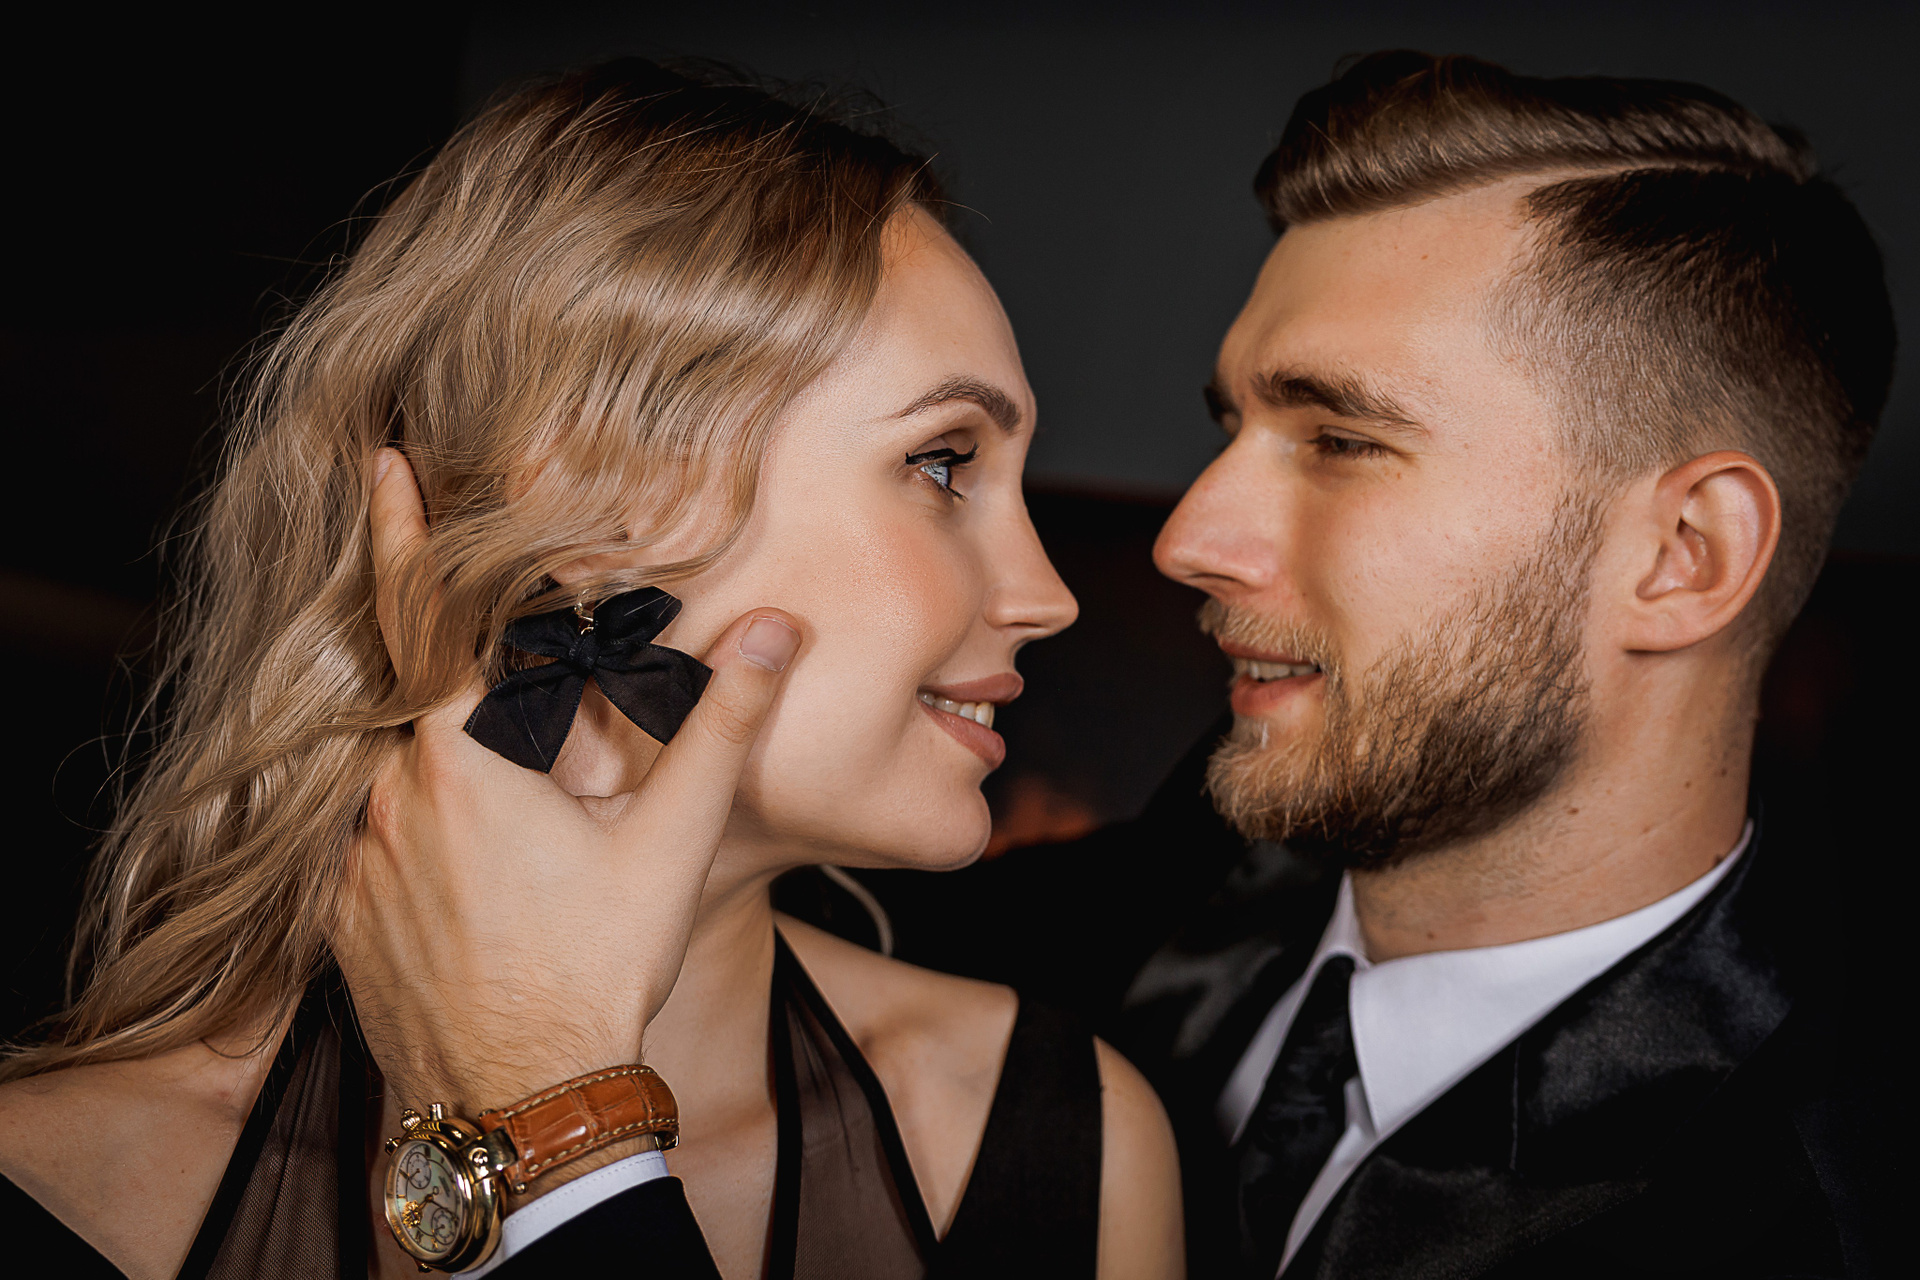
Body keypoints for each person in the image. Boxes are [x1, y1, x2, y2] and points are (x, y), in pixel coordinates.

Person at [0, 62, 1183, 1279]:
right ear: (590, 502)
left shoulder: (1064, 1140)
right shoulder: (55, 1190)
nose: (1048, 595)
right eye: (942, 462)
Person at [862, 51, 1901, 1278]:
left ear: (1684, 556)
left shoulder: (1801, 1221)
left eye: (1341, 439)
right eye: (1233, 426)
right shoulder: (1222, 841)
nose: (1188, 539)